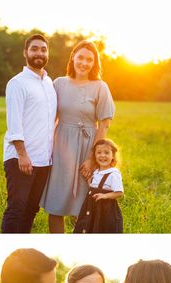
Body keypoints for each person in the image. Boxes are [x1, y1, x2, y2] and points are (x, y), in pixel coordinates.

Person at [41, 40, 115, 234]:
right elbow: (49, 118)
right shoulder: (58, 83)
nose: (84, 62)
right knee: (57, 202)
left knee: (83, 204)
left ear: (94, 63)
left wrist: (91, 158)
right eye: (80, 57)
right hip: (60, 147)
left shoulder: (100, 87)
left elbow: (104, 124)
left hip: (87, 146)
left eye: (89, 59)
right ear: (73, 57)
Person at [1, 33, 57, 234]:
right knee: (16, 208)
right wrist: (22, 155)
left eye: (43, 49)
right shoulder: (17, 83)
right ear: (25, 53)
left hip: (44, 161)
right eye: (34, 49)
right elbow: (14, 123)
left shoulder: (50, 84)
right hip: (21, 159)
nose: (39, 53)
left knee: (32, 210)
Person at [74, 138, 124, 233]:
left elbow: (119, 193)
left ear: (113, 155)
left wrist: (105, 196)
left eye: (106, 153)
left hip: (106, 210)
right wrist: (89, 180)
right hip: (92, 207)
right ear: (95, 155)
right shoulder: (96, 171)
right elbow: (94, 187)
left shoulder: (113, 173)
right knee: (89, 226)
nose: (102, 156)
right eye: (99, 152)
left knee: (102, 229)